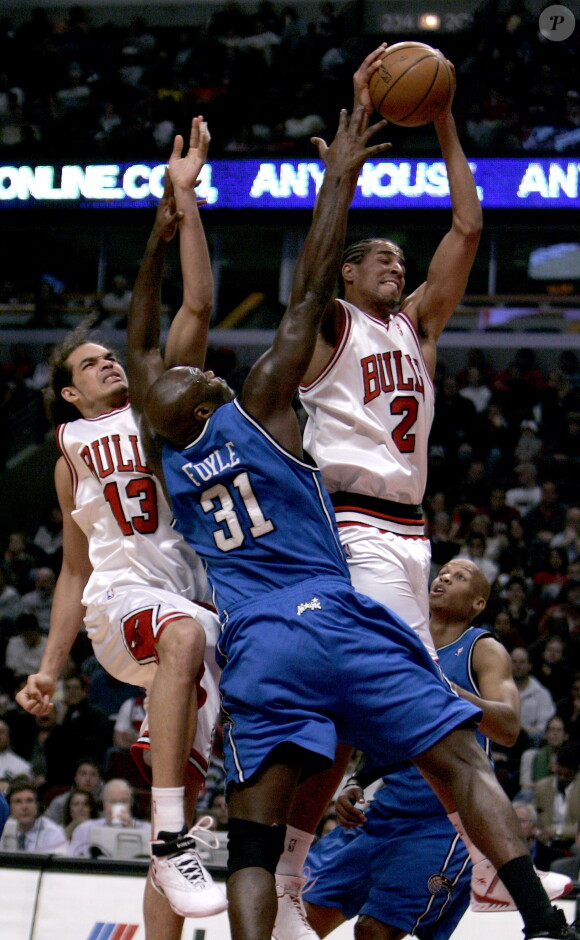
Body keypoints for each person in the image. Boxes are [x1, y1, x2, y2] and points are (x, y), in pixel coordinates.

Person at [143, 106, 579, 940]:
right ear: (347, 276)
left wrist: (447, 121)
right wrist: (333, 182)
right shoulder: (331, 328)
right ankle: (479, 867)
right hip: (342, 526)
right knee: (426, 721)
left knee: (378, 719)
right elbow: (301, 286)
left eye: (399, 259)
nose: (395, 263)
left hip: (408, 532)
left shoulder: (418, 325)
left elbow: (468, 222)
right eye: (378, 256)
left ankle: (312, 860)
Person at [15, 118, 226, 935]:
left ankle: (175, 850)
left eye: (112, 356)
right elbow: (74, 570)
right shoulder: (72, 448)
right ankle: (167, 830)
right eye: (89, 363)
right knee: (179, 638)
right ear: (69, 395)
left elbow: (198, 304)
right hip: (125, 602)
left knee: (206, 795)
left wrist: (188, 204)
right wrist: (51, 665)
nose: (107, 363)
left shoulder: (159, 410)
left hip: (193, 605)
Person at [301, 560, 570, 939]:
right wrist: (357, 779)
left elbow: (509, 727)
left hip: (444, 824)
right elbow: (392, 731)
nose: (443, 577)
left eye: (459, 577)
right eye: (443, 572)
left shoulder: (483, 648)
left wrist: (446, 691)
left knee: (373, 932)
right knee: (301, 915)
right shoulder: (405, 640)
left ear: (478, 603)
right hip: (383, 811)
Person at [68, 777, 150, 857]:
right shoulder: (84, 829)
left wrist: (132, 832)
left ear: (132, 803)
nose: (118, 806)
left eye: (124, 801)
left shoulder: (147, 830)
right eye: (112, 801)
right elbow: (72, 861)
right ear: (103, 804)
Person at [0, 777, 68, 853]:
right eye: (18, 802)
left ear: (38, 805)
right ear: (9, 806)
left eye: (29, 801)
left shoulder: (53, 833)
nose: (24, 807)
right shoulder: (3, 828)